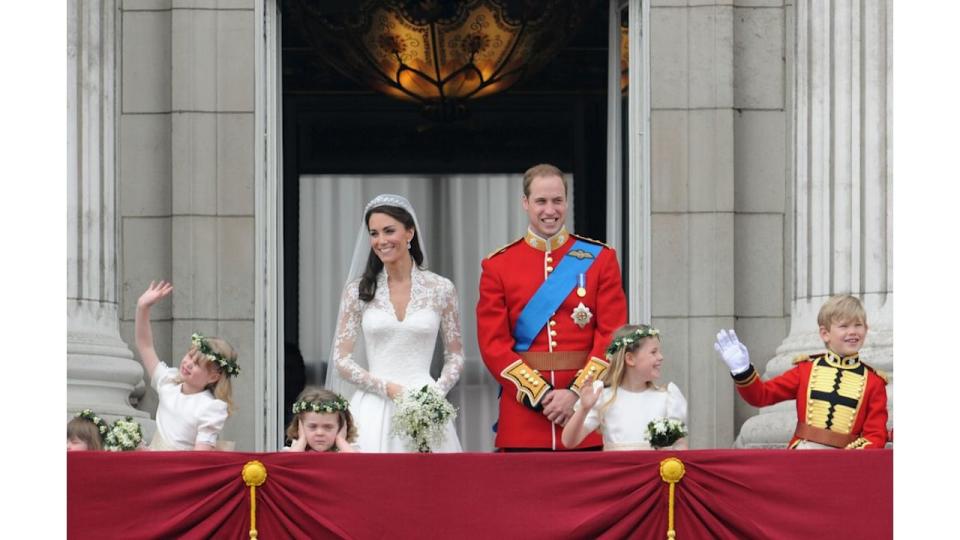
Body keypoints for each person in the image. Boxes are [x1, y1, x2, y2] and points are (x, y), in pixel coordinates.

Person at [476, 163, 628, 451]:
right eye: (541, 201)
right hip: (524, 419)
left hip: (585, 415)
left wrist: (575, 394)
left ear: (567, 202)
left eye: (557, 201)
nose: (550, 210)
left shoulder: (601, 259)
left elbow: (612, 337)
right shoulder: (498, 265)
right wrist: (541, 395)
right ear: (525, 203)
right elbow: (493, 344)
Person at [325, 194, 464, 453]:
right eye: (374, 233)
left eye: (389, 231)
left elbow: (455, 356)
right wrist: (386, 388)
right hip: (373, 407)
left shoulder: (441, 288)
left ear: (409, 232)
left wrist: (434, 393)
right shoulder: (358, 291)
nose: (381, 240)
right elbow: (341, 361)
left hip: (426, 407)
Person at [714, 295, 889, 449]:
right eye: (844, 326)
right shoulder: (806, 370)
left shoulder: (874, 382)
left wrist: (851, 459)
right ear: (825, 333)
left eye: (858, 325)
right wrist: (742, 370)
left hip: (846, 462)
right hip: (803, 455)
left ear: (866, 329)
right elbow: (761, 395)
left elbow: (875, 435)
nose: (852, 331)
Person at [135, 280, 240, 450]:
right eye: (189, 356)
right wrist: (142, 308)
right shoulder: (168, 382)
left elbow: (200, 457)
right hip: (153, 465)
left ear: (214, 376)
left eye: (197, 364)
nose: (188, 364)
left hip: (179, 471)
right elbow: (145, 345)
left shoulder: (210, 407)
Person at [562, 324, 688, 450]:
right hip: (618, 469)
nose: (661, 357)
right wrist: (584, 408)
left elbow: (680, 444)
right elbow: (569, 442)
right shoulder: (604, 398)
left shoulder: (667, 398)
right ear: (630, 359)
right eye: (653, 352)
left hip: (653, 469)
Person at [283, 386, 358, 452]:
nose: (320, 433)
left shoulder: (346, 450)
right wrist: (302, 440)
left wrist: (341, 441)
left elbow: (360, 464)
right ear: (300, 426)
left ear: (341, 427)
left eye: (328, 427)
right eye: (312, 426)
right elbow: (288, 462)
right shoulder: (295, 449)